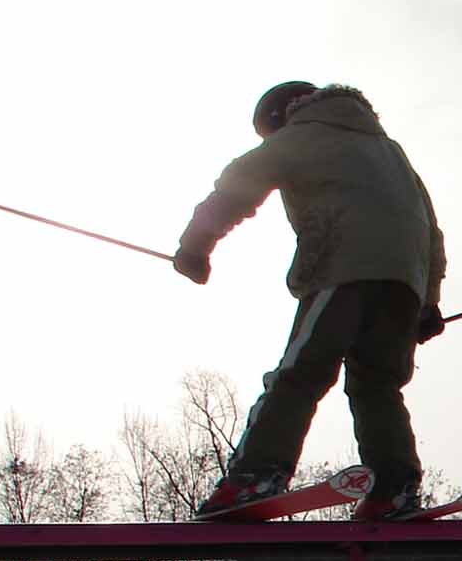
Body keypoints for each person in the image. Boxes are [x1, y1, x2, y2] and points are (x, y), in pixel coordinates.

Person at [173, 81, 447, 519]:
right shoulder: (390, 151)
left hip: (342, 269)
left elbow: (238, 186)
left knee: (301, 372)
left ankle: (256, 474)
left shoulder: (301, 134)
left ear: (281, 118)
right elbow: (429, 228)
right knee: (377, 386)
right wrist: (428, 302)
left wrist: (196, 245)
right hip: (404, 283)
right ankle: (394, 487)